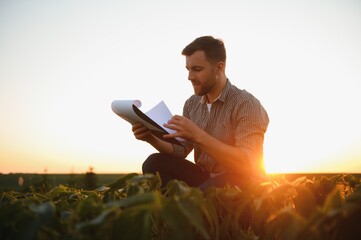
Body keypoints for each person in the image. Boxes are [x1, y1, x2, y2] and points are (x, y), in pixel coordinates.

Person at [132, 36, 269, 191]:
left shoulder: (246, 104)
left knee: (211, 187)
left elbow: (248, 162)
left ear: (219, 68)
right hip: (206, 177)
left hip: (242, 181)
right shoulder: (192, 104)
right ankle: (175, 211)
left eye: (197, 69)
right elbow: (181, 150)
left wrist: (198, 135)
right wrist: (150, 138)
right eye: (188, 70)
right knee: (153, 163)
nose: (190, 77)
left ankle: (195, 209)